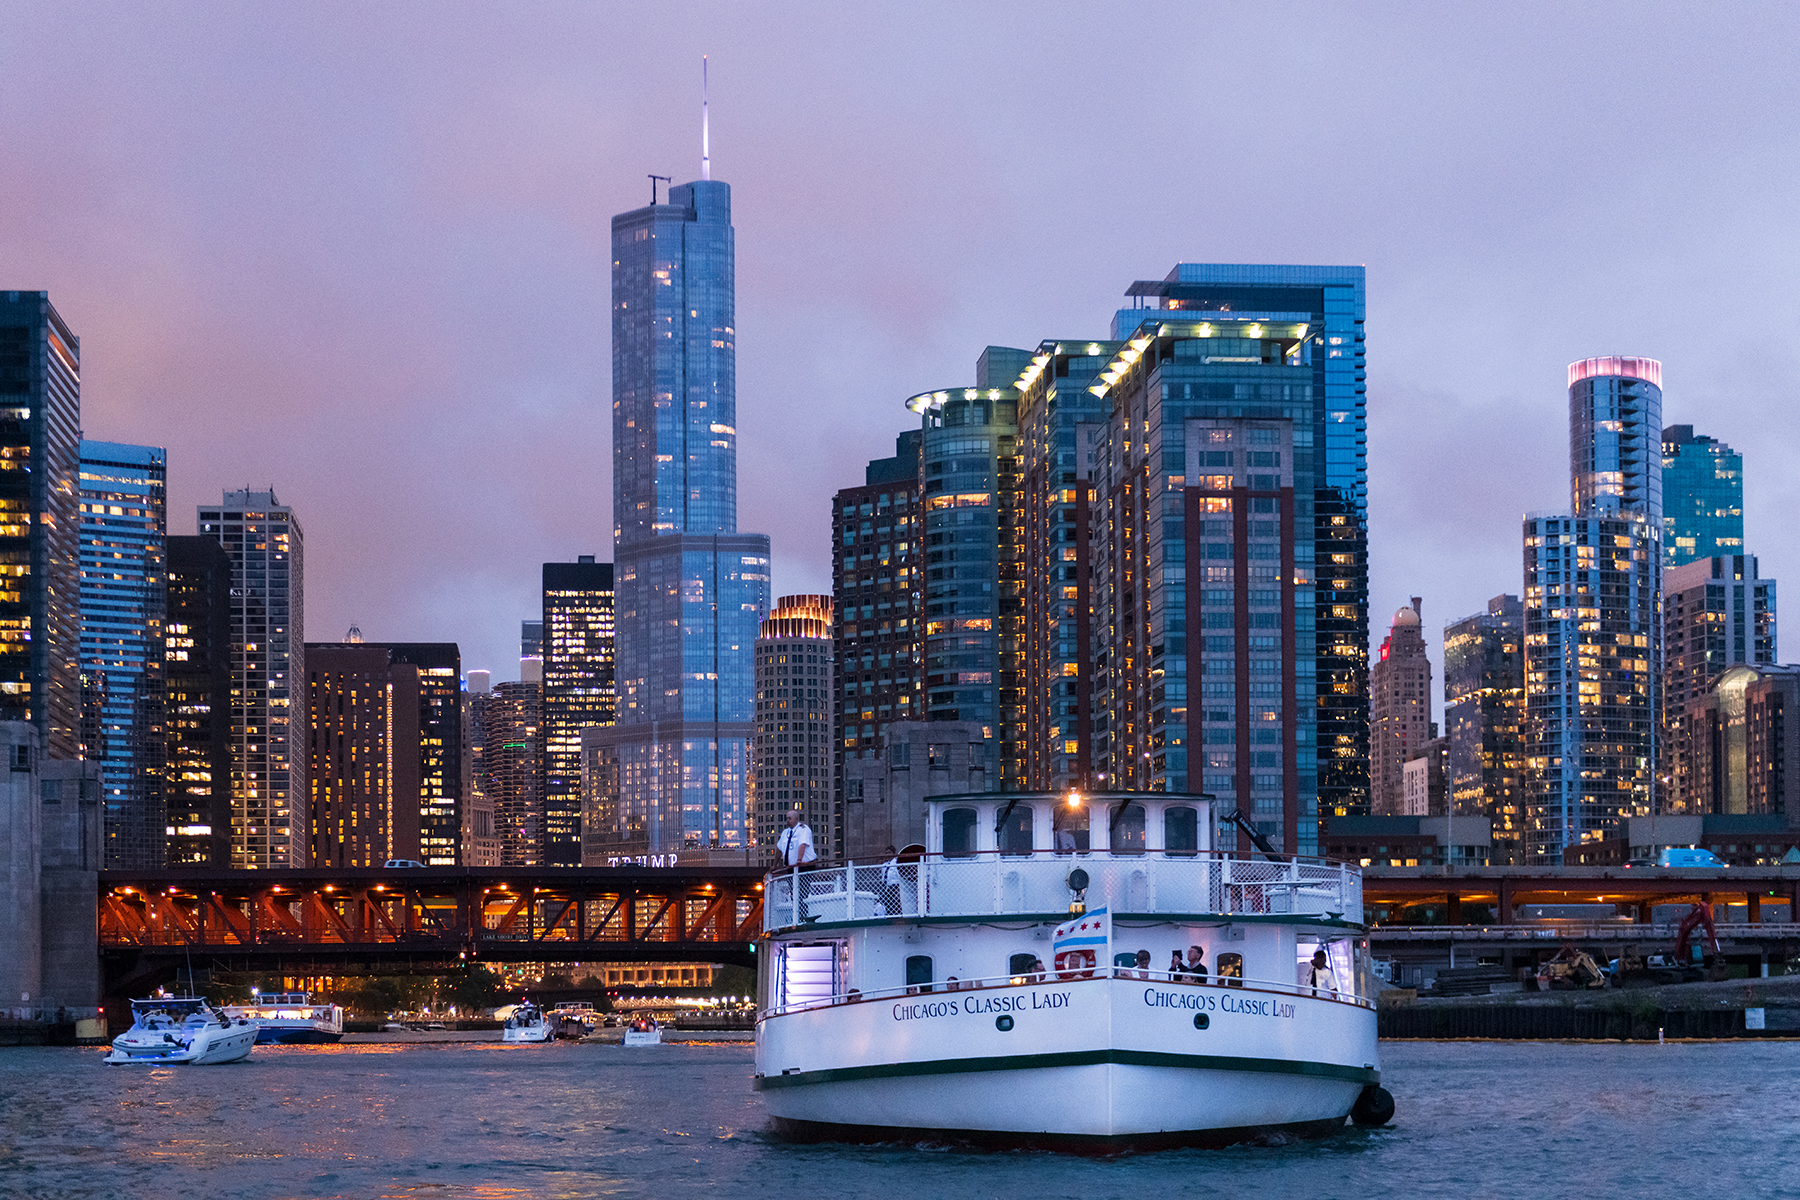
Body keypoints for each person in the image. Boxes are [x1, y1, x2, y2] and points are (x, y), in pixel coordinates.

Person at [777, 809, 817, 919]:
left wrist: (799, 860)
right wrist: (774, 864)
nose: (787, 820)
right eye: (787, 818)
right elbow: (779, 849)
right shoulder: (785, 833)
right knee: (794, 893)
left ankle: (804, 915)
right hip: (791, 868)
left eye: (790, 818)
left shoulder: (803, 830)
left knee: (802, 892)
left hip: (804, 866)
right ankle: (798, 915)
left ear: (796, 819)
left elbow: (802, 844)